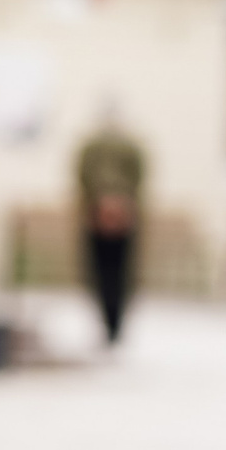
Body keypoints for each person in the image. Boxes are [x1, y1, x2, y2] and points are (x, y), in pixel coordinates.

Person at [75, 115, 144, 344]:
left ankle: (113, 323)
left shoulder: (100, 147)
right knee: (109, 272)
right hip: (101, 211)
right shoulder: (98, 147)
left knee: (111, 271)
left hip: (114, 211)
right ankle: (110, 323)